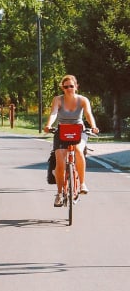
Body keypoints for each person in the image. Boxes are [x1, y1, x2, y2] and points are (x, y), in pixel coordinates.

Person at [43, 74, 99, 205]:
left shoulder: (83, 100)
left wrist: (94, 126)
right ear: (62, 88)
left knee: (79, 151)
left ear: (76, 86)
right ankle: (59, 194)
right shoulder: (58, 99)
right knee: (60, 160)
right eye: (66, 86)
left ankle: (82, 184)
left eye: (71, 86)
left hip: (79, 130)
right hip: (62, 130)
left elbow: (88, 114)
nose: (69, 88)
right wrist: (49, 125)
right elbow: (54, 113)